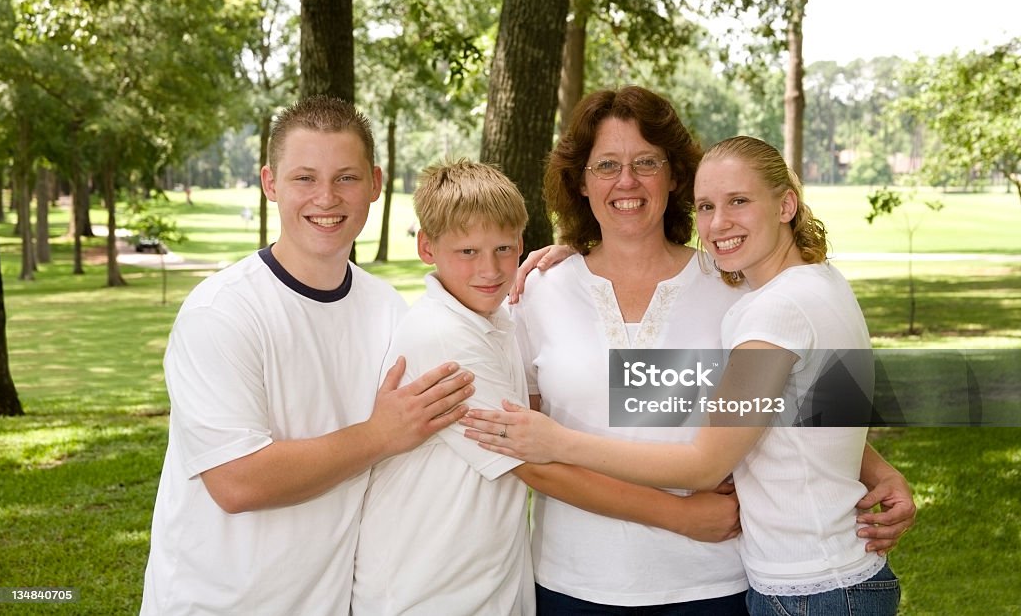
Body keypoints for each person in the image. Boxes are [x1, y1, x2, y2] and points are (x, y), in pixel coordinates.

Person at [464, 134, 905, 615]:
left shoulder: (749, 295)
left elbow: (715, 454)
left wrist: (557, 441)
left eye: (646, 162)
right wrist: (876, 471)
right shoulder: (542, 289)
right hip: (580, 579)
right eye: (708, 206)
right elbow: (797, 400)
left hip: (748, 582)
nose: (720, 222)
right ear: (582, 183)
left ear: (786, 206)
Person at [141, 96, 474, 615]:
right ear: (271, 183)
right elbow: (236, 481)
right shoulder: (222, 311)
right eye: (304, 178)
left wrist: (561, 267)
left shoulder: (388, 310)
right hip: (215, 604)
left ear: (376, 184)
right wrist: (379, 435)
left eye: (346, 177)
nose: (327, 197)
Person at [352, 159, 535, 615]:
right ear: (427, 247)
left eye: (503, 249)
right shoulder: (443, 336)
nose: (490, 269)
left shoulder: (498, 319)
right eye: (468, 252)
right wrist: (678, 514)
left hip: (483, 579)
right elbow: (537, 465)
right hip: (425, 590)